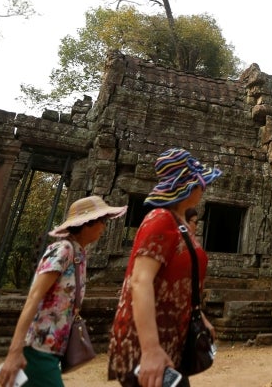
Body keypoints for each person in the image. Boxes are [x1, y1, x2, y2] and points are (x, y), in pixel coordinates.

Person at [108, 148, 222, 387]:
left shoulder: (181, 225)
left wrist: (198, 315)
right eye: (201, 182)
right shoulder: (160, 219)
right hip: (147, 343)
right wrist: (150, 349)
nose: (205, 187)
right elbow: (140, 280)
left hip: (174, 339)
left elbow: (182, 279)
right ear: (189, 186)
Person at [0, 195, 127, 387]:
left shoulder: (79, 253)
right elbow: (34, 296)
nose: (104, 227)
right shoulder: (63, 249)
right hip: (38, 346)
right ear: (87, 224)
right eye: (102, 221)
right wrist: (15, 350)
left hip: (53, 346)